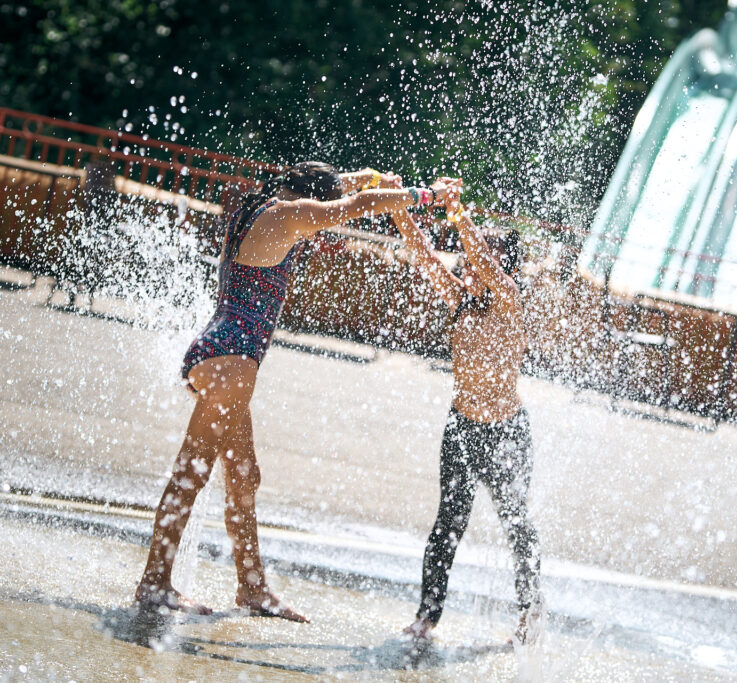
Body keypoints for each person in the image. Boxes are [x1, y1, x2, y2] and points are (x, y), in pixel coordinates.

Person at [135, 162, 458, 621]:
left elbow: (343, 191)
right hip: (229, 365)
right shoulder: (288, 215)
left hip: (220, 356)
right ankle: (154, 584)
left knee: (244, 475)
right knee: (191, 473)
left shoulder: (264, 206)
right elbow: (354, 205)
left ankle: (252, 587)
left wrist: (370, 178)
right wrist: (428, 195)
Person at [390, 192, 543, 644]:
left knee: (517, 524)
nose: (474, 265)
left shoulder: (510, 299)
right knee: (448, 523)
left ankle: (529, 615)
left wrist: (457, 212)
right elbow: (423, 254)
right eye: (473, 258)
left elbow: (485, 264)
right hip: (461, 428)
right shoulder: (461, 299)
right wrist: (397, 208)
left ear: (505, 267)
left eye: (487, 259)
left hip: (507, 432)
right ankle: (427, 616)